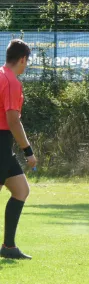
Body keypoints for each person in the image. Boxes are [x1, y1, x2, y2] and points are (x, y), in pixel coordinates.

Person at [0, 39, 37, 259]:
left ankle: (9, 247)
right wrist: (28, 151)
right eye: (26, 62)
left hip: (4, 145)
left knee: (21, 190)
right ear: (22, 59)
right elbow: (13, 120)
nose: (26, 66)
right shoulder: (12, 81)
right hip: (1, 142)